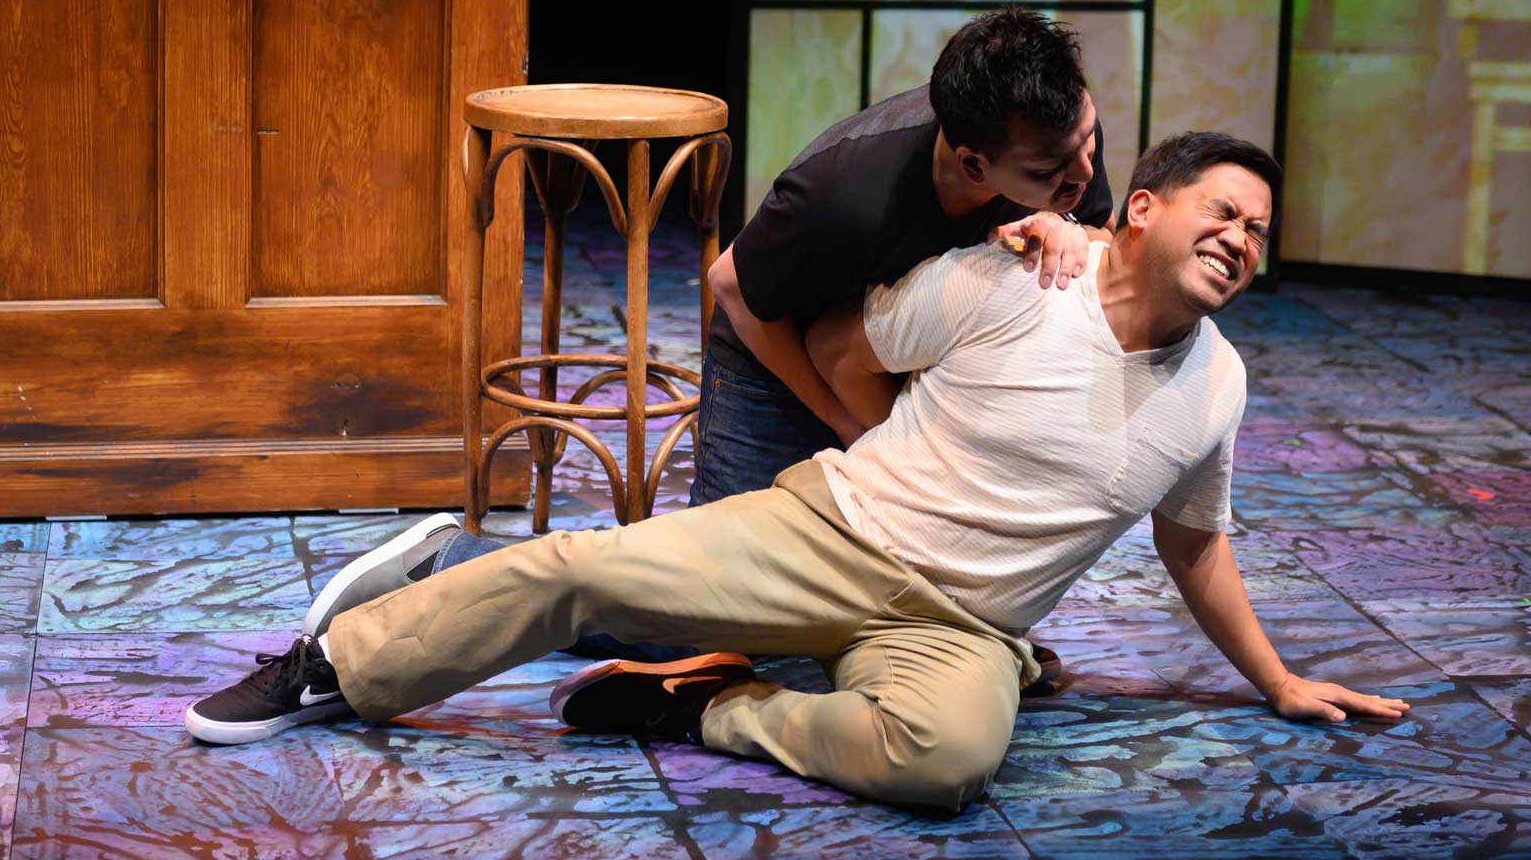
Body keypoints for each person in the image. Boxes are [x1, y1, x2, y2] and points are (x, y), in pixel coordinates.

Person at [184, 132, 1409, 813]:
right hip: (834, 530)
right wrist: (884, 447)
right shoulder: (1010, 279)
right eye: (1222, 211)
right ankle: (337, 664)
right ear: (1141, 208)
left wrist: (1278, 678)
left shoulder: (1218, 382)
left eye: (1258, 230)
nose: (1240, 239)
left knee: (947, 763)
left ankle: (709, 706)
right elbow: (837, 341)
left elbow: (1193, 539)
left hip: (961, 626)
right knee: (577, 568)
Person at [295, 6, 1113, 678]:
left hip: (893, 355)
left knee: (867, 577)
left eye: (1088, 139)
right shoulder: (847, 193)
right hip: (775, 356)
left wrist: (1071, 226)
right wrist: (847, 423)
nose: (1081, 171)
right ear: (972, 164)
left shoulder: (1058, 144)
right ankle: (453, 560)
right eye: (1054, 172)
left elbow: (1093, 246)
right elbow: (733, 288)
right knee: (696, 622)